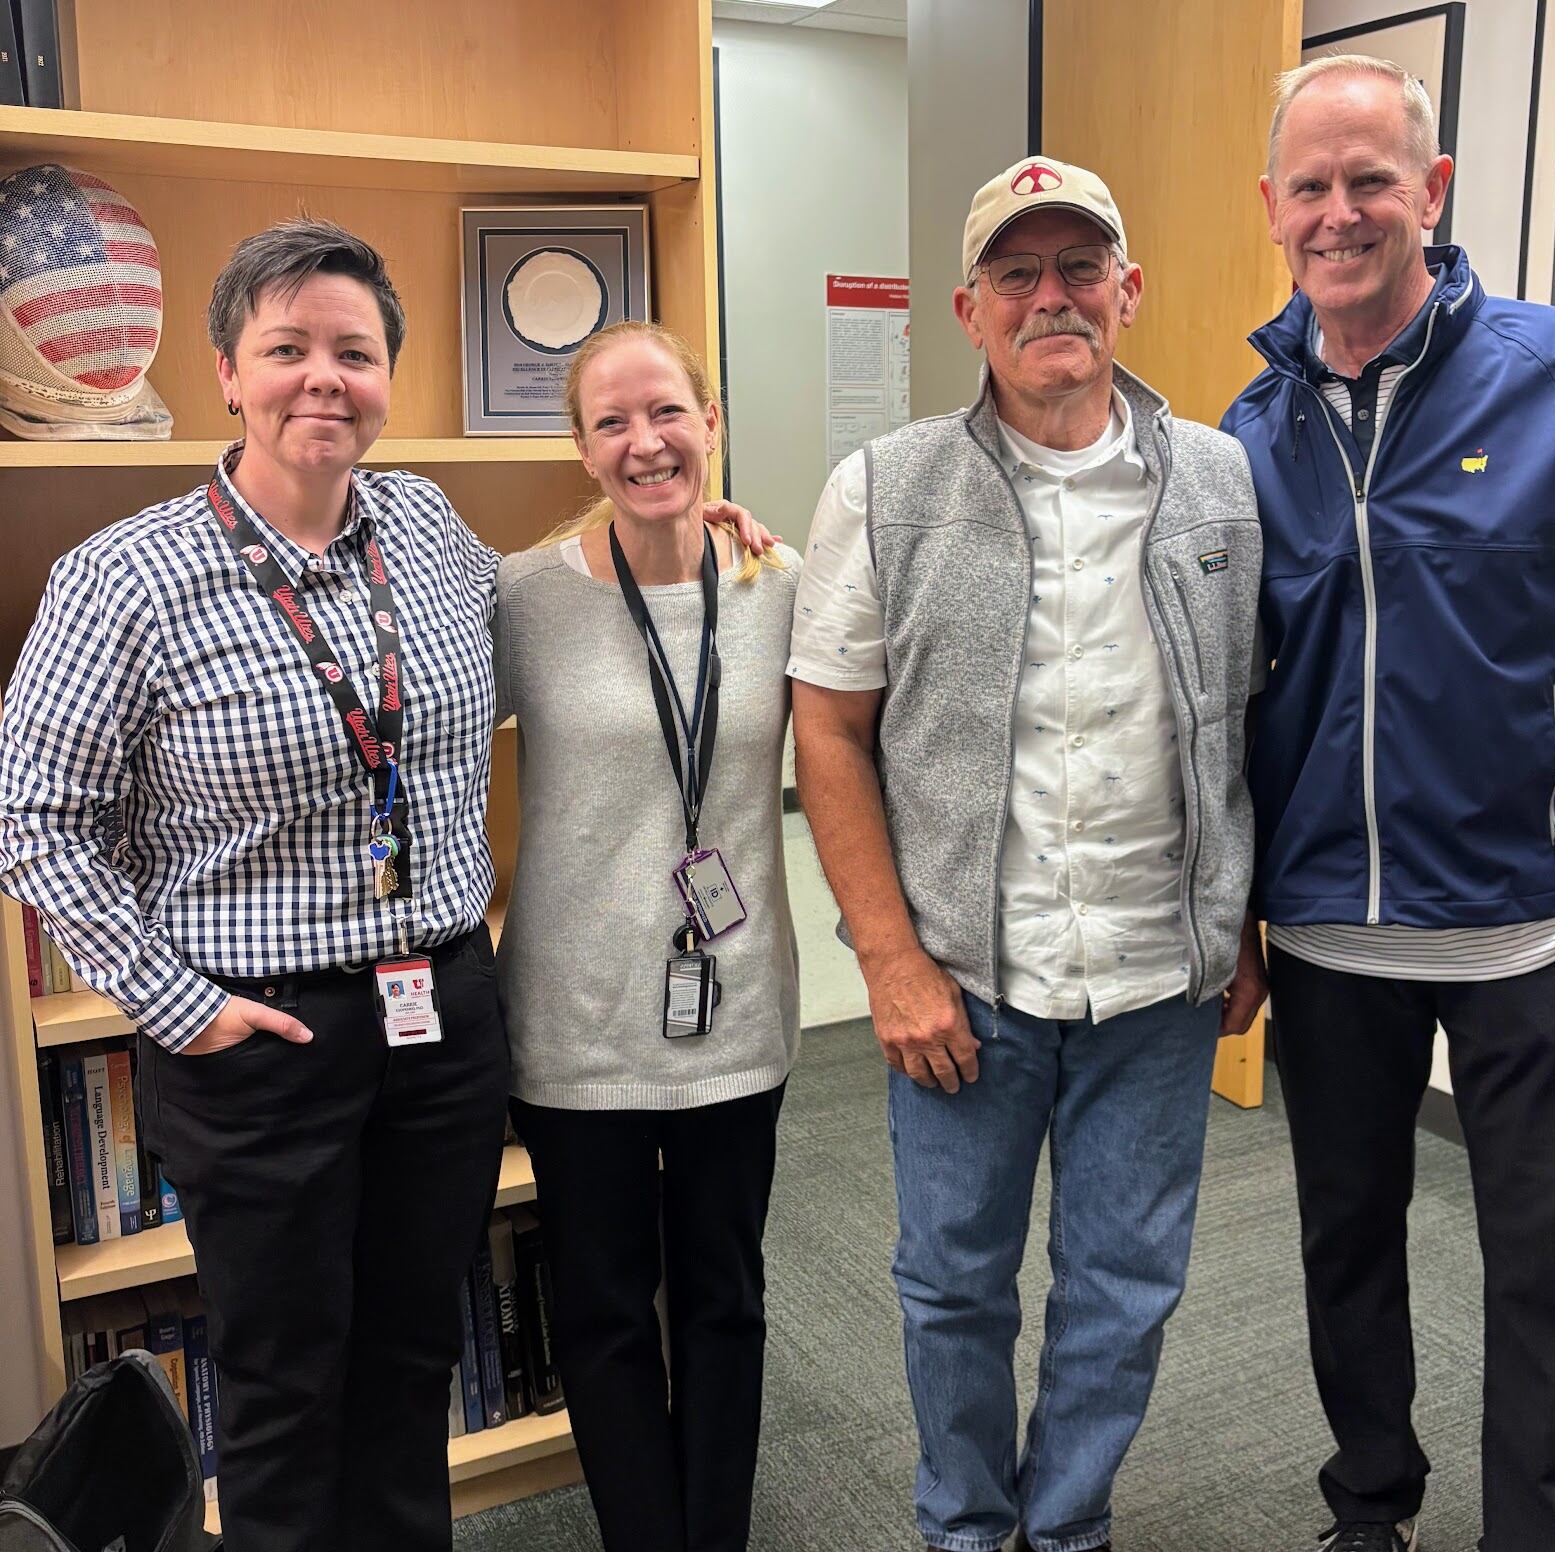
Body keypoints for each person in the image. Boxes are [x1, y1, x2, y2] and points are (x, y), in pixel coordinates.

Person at [0, 223, 769, 1552]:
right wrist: (177, 1003)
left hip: (442, 1029)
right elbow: (35, 816)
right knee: (289, 1383)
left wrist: (683, 528)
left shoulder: (421, 523)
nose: (323, 380)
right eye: (288, 348)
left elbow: (566, 603)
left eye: (354, 353)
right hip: (261, 1039)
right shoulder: (124, 578)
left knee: (414, 1360)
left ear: (388, 378)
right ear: (226, 369)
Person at [1221, 56, 1555, 1552]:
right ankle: (1369, 1506)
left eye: (1371, 179)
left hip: (1539, 929)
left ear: (1433, 192)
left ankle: (1542, 1532)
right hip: (1330, 939)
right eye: (1311, 187)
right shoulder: (1248, 434)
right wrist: (1237, 917)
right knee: (1346, 1255)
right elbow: (1226, 711)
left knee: (1550, 1273)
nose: (1341, 212)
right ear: (1273, 210)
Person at [790, 156, 1266, 1552]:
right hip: (964, 985)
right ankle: (964, 1530)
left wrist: (1238, 922)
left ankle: (1065, 1531)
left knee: (1125, 1287)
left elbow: (1249, 717)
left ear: (1130, 290)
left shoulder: (1225, 483)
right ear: (969, 308)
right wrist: (886, 958)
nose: (1050, 295)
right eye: (1018, 272)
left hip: (1156, 984)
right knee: (953, 1287)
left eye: (1078, 267)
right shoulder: (886, 486)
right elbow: (828, 732)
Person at [493, 320, 801, 1552]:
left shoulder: (783, 586)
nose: (644, 441)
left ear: (710, 421)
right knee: (607, 1309)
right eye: (612, 421)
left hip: (738, 1012)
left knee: (726, 1297)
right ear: (581, 447)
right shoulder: (525, 597)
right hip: (577, 1018)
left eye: (666, 411)